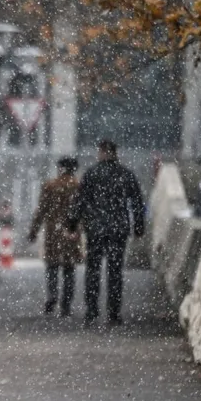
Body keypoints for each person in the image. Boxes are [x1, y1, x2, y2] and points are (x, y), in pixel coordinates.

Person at [68, 139, 145, 327]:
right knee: (115, 271)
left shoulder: (91, 174)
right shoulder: (126, 175)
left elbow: (80, 201)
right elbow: (136, 203)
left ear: (101, 152)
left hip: (95, 228)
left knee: (93, 269)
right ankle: (114, 312)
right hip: (118, 228)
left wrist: (72, 224)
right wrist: (138, 227)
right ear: (115, 153)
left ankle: (92, 310)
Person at [28, 156, 82, 317]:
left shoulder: (50, 186)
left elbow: (41, 210)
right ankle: (66, 304)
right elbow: (82, 210)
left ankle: (52, 298)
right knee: (69, 268)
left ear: (60, 168)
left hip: (53, 232)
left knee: (52, 267)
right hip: (71, 232)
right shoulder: (78, 186)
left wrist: (33, 231)